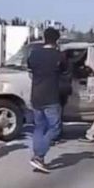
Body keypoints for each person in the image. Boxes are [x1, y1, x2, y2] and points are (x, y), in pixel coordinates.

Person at [27, 26, 64, 173]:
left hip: (36, 94)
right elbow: (65, 72)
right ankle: (39, 156)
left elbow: (30, 72)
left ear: (44, 38)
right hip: (51, 96)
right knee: (55, 128)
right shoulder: (59, 56)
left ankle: (38, 155)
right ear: (57, 40)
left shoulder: (34, 54)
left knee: (39, 127)